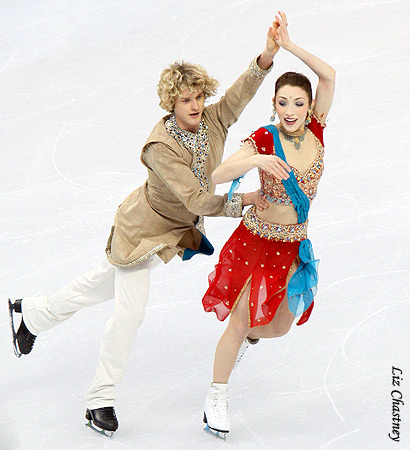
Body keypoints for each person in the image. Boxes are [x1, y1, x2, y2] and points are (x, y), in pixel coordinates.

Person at [7, 18, 283, 437]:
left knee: (95, 287)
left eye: (198, 97)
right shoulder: (160, 147)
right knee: (129, 314)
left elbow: (240, 93)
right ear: (170, 102)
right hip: (140, 232)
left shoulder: (211, 121)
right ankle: (100, 399)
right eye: (185, 99)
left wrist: (267, 55)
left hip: (170, 234)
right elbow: (196, 198)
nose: (194, 105)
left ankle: (31, 317)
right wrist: (245, 201)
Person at [201, 11, 336, 440]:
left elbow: (329, 75)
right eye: (283, 102)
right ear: (273, 105)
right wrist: (257, 160)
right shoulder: (264, 137)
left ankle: (244, 338)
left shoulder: (316, 129)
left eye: (299, 102)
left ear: (310, 106)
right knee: (238, 322)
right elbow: (218, 175)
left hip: (294, 245)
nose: (292, 110)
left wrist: (288, 46)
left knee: (279, 325)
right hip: (256, 241)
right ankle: (216, 397)